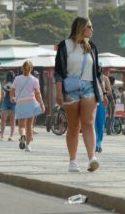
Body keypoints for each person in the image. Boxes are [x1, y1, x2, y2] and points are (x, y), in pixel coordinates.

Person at [54, 17, 105, 173]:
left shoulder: (92, 47)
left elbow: (97, 72)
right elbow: (59, 71)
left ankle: (92, 158)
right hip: (71, 88)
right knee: (74, 126)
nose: (92, 29)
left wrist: (102, 91)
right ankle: (73, 161)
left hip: (89, 87)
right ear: (81, 28)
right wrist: (58, 92)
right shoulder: (65, 46)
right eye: (89, 26)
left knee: (88, 123)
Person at [10, 61, 45, 151]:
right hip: (31, 103)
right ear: (31, 68)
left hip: (20, 103)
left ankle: (22, 135)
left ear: (22, 68)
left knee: (21, 125)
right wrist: (41, 104)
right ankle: (28, 146)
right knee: (29, 125)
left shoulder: (17, 79)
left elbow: (12, 89)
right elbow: (38, 93)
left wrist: (12, 97)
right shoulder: (34, 80)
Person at [95, 64, 111, 153]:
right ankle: (95, 145)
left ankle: (99, 143)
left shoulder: (105, 78)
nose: (98, 69)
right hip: (92, 102)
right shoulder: (91, 78)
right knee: (93, 125)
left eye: (99, 67)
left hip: (101, 103)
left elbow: (109, 91)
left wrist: (103, 92)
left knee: (101, 125)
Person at [0, 71, 16, 141]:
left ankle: (3, 134)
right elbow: (2, 91)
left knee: (4, 119)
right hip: (12, 100)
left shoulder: (13, 82)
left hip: (8, 100)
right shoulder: (8, 82)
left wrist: (1, 100)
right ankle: (9, 135)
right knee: (11, 119)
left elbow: (2, 92)